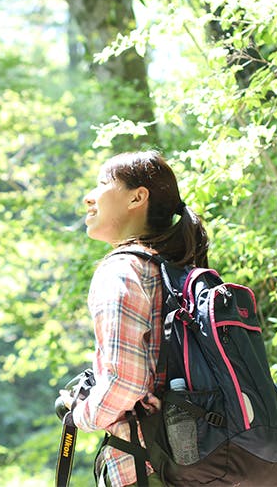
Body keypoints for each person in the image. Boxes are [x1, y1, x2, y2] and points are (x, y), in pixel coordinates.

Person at [59, 150, 209, 487]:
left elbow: (124, 382)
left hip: (147, 467)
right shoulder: (179, 272)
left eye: (101, 184)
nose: (89, 197)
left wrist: (79, 415)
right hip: (204, 460)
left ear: (137, 197)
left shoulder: (122, 270)